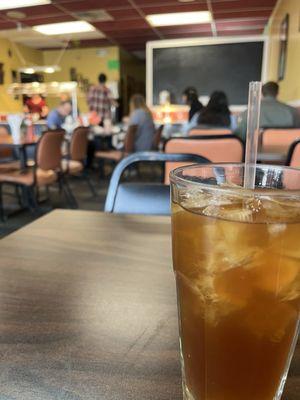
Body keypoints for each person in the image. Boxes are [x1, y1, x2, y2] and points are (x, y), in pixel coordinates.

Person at [235, 81, 300, 141]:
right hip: (288, 151)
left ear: (262, 93)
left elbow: (239, 138)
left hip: (257, 152)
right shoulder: (293, 112)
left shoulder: (248, 112)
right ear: (277, 93)